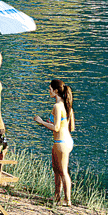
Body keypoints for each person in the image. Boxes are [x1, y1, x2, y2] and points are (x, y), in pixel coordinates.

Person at [32, 78, 76, 207]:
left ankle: (67, 201)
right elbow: (70, 126)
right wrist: (50, 123)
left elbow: (56, 127)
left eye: (50, 89)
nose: (49, 91)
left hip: (61, 142)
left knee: (63, 171)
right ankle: (57, 197)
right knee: (57, 170)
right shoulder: (66, 106)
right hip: (65, 141)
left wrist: (41, 122)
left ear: (56, 91)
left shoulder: (57, 106)